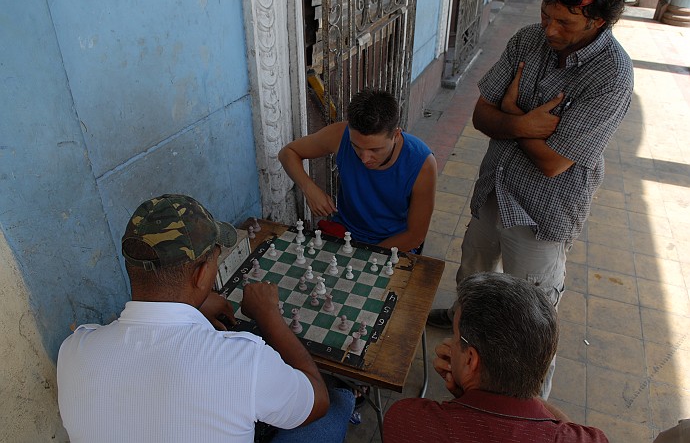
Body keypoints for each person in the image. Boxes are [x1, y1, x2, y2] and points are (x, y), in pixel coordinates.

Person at [427, 0, 634, 398]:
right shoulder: (527, 38)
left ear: (599, 19)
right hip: (495, 191)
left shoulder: (613, 75)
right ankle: (463, 347)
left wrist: (509, 111)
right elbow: (481, 115)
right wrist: (522, 122)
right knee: (472, 277)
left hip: (543, 215)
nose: (551, 30)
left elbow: (554, 161)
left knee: (531, 325)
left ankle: (530, 412)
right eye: (546, 15)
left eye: (565, 23)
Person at [57, 194, 353, 443]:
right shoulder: (243, 360)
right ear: (202, 274)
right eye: (214, 258)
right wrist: (270, 318)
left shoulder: (74, 350)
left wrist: (192, 304)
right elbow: (318, 402)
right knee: (337, 404)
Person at [386, 272, 609, 442]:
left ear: (471, 360)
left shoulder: (409, 422)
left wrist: (467, 394)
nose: (450, 345)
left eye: (455, 336)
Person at [279, 88, 437, 252]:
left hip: (393, 242)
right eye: (356, 147)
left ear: (396, 135)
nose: (364, 158)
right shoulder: (340, 135)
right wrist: (309, 188)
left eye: (375, 150)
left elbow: (415, 236)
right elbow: (287, 153)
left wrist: (363, 258)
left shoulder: (422, 164)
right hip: (345, 231)